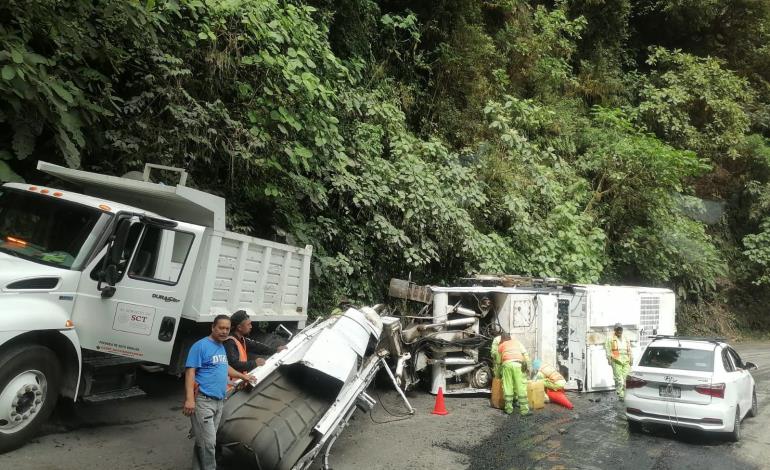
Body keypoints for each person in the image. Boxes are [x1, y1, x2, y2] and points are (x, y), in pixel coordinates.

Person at [183, 315, 255, 470]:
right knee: (209, 444)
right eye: (221, 328)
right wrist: (189, 399)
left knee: (204, 441)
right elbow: (190, 372)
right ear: (213, 327)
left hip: (219, 402)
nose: (224, 331)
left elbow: (224, 367)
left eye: (227, 329)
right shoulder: (200, 346)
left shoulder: (221, 347)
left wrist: (243, 376)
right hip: (203, 401)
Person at [224, 310, 287, 374]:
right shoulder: (230, 342)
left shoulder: (241, 339)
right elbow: (233, 364)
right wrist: (254, 363)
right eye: (248, 324)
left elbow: (257, 347)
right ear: (239, 327)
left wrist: (275, 350)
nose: (251, 326)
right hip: (230, 383)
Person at [497, 332, 532, 416]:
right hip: (518, 365)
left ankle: (508, 409)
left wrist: (498, 374)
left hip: (507, 365)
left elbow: (498, 362)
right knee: (521, 386)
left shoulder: (501, 346)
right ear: (510, 338)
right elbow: (525, 354)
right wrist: (528, 366)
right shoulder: (517, 342)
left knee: (507, 386)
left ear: (502, 339)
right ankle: (524, 410)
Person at [605, 322, 633, 400]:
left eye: (620, 329)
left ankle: (625, 395)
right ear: (615, 330)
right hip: (616, 360)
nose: (619, 331)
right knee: (619, 379)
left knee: (625, 379)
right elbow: (607, 349)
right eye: (618, 329)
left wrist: (631, 359)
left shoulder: (626, 338)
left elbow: (629, 349)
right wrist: (609, 359)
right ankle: (621, 396)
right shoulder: (610, 339)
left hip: (626, 361)